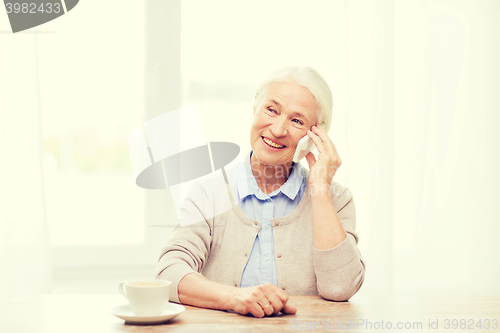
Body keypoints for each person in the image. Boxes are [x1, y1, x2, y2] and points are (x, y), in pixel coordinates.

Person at [156, 66, 365, 318]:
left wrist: (320, 190)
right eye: (271, 110)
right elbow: (169, 272)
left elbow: (341, 288)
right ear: (255, 106)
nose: (277, 130)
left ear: (315, 135)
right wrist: (234, 298)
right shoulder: (208, 194)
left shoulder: (337, 200)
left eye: (297, 120)